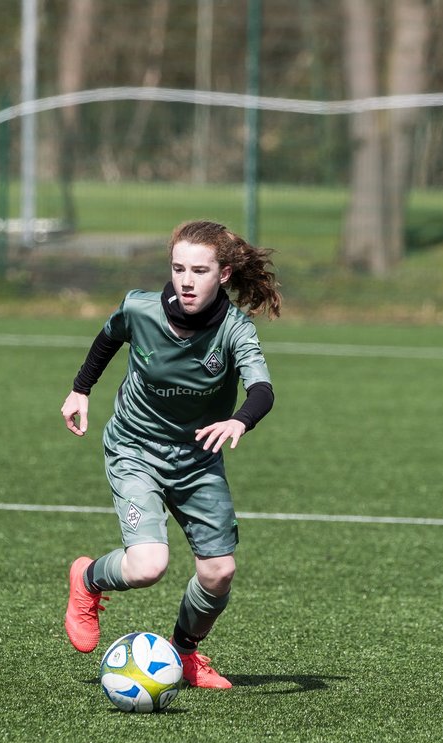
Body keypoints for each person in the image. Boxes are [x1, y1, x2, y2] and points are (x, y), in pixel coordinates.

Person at [60, 220, 282, 690]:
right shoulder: (141, 308)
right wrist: (81, 390)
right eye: (178, 267)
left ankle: (184, 654)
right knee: (148, 565)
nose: (185, 280)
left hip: (197, 458)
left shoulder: (235, 328)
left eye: (199, 270)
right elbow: (108, 338)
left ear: (222, 274)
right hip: (134, 447)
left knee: (219, 572)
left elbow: (262, 389)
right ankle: (89, 579)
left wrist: (239, 420)